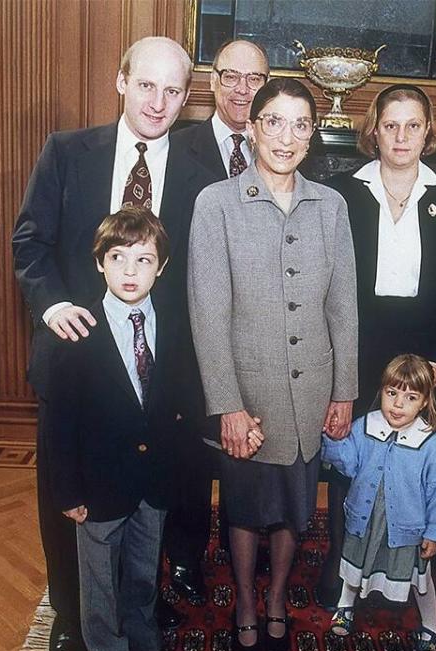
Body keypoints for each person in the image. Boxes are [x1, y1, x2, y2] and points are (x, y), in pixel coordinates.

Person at [12, 36, 194, 651]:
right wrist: (53, 303)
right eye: (146, 85)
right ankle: (71, 612)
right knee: (73, 492)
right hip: (76, 360)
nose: (158, 101)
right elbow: (30, 242)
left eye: (173, 90)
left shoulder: (200, 168)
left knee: (146, 499)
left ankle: (138, 605)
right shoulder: (68, 152)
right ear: (121, 82)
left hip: (154, 368)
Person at [187, 77, 358, 651]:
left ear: (313, 134)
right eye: (274, 122)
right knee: (244, 508)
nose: (286, 137)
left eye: (300, 124)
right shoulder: (216, 204)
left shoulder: (331, 206)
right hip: (248, 395)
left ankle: (279, 597)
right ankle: (244, 604)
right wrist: (227, 404)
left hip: (313, 389)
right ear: (252, 127)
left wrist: (344, 392)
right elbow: (207, 313)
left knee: (293, 506)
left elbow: (343, 306)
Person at [317, 84, 436, 607]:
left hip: (422, 349)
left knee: (410, 467)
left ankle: (399, 573)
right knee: (354, 457)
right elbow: (330, 282)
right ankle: (345, 574)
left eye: (413, 125)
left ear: (429, 133)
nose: (401, 136)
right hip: (359, 341)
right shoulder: (344, 192)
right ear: (374, 131)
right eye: (391, 125)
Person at [44, 208, 192, 651]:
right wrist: (67, 491)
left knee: (145, 568)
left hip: (153, 482)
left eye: (144, 260)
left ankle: (145, 639)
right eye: (119, 258)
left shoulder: (173, 325)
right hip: (98, 484)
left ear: (162, 267)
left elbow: (176, 404)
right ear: (99, 263)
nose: (131, 271)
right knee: (100, 580)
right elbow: (59, 423)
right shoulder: (76, 333)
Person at [163, 39, 270, 602]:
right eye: (231, 75)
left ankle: (241, 551)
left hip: (258, 334)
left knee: (249, 445)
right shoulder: (177, 149)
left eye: (255, 78)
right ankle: (184, 559)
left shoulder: (283, 143)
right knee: (189, 457)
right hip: (190, 330)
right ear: (211, 81)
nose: (242, 89)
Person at [321, 354, 436, 651]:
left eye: (410, 397)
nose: (397, 405)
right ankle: (345, 607)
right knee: (354, 566)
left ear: (424, 401)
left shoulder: (430, 442)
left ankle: (429, 628)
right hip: (366, 520)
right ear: (382, 391)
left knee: (421, 581)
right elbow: (348, 463)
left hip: (407, 529)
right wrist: (333, 439)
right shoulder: (366, 425)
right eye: (391, 393)